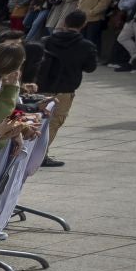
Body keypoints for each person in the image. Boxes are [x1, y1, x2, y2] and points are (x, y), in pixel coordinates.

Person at [37, 9, 96, 163]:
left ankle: (31, 151)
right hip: (65, 89)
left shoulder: (46, 41)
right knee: (54, 122)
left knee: (36, 119)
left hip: (42, 86)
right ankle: (41, 154)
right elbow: (90, 67)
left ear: (64, 22)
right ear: (83, 24)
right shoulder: (86, 45)